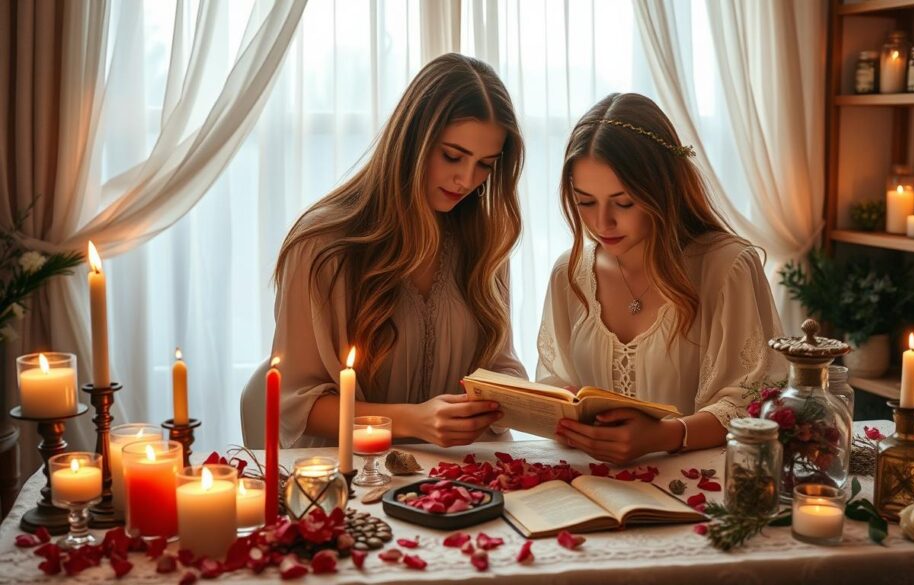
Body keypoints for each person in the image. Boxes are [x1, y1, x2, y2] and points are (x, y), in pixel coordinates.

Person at [268, 53, 526, 449]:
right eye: (452, 156)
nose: (467, 180)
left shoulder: (485, 241)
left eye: (485, 165)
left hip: (462, 480)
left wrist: (545, 402)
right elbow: (294, 406)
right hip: (352, 479)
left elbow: (499, 364)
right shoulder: (321, 246)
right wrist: (412, 421)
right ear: (412, 141)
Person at [537, 93, 785, 464]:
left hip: (705, 492)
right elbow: (554, 383)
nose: (602, 223)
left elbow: (756, 402)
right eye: (585, 202)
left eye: (623, 203)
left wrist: (668, 435)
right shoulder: (570, 274)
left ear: (663, 190)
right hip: (588, 489)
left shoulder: (727, 268)